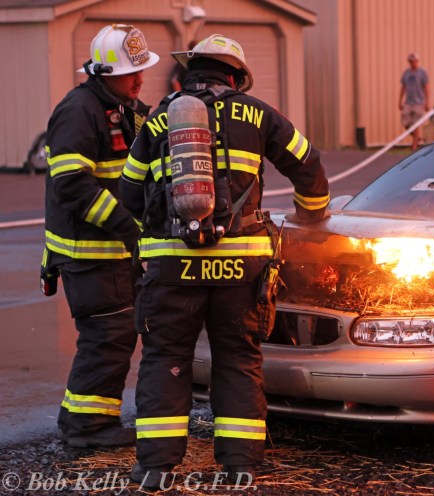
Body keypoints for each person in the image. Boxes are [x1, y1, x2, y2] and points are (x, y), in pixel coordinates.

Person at [119, 34, 330, 488]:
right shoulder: (257, 113)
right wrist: (313, 214)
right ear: (235, 76)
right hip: (242, 268)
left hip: (172, 267)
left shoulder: (158, 121)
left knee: (165, 359)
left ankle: (155, 467)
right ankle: (240, 466)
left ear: (188, 72)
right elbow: (307, 162)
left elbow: (129, 192)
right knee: (237, 359)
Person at [41, 24, 159, 447]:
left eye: (142, 69)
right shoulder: (79, 110)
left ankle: (84, 420)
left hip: (108, 253)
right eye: (132, 72)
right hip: (91, 253)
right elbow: (70, 184)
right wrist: (129, 227)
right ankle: (87, 428)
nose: (140, 79)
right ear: (105, 73)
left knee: (115, 335)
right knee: (107, 337)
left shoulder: (124, 107)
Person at [398, 53, 430, 151]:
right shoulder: (406, 73)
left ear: (417, 61)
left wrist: (426, 102)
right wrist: (400, 100)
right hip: (408, 102)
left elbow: (426, 87)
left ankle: (414, 146)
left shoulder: (422, 73)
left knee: (416, 123)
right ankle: (417, 138)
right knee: (406, 122)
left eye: (415, 61)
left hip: (419, 102)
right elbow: (403, 87)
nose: (413, 63)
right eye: (411, 61)